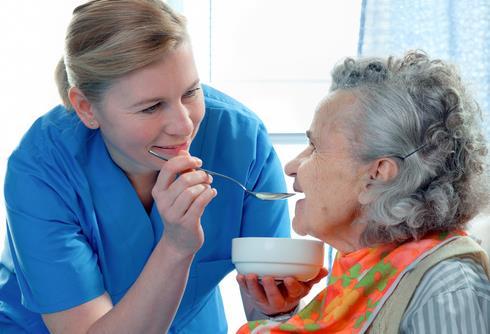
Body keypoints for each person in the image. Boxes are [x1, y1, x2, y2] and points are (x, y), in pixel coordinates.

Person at [0, 1, 324, 333]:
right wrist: (177, 245)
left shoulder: (241, 142)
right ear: (86, 108)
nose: (184, 126)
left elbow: (263, 300)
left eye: (191, 92)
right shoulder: (41, 170)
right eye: (152, 107)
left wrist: (276, 306)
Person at [237, 50, 490, 333]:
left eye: (315, 147)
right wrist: (282, 314)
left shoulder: (447, 288)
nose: (292, 166)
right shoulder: (363, 271)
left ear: (377, 175)